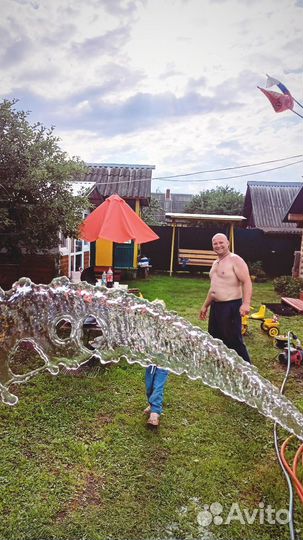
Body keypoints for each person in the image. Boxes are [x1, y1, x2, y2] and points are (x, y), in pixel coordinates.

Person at [199, 233, 252, 364]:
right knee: (215, 338)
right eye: (215, 243)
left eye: (221, 242)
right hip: (216, 307)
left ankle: (248, 372)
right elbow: (213, 288)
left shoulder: (235, 260)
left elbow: (247, 282)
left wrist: (246, 303)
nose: (218, 245)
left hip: (231, 306)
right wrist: (205, 305)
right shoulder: (215, 263)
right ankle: (223, 366)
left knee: (234, 340)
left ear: (228, 243)